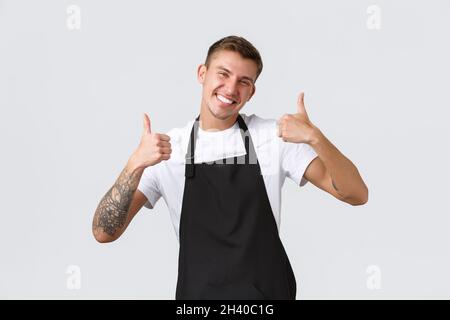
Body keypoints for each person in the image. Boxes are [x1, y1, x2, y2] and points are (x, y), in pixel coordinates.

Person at [92, 35, 368, 300]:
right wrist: (134, 165)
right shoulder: (167, 150)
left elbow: (356, 194)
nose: (231, 88)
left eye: (243, 81)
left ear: (252, 91)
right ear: (202, 73)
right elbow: (104, 233)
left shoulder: (273, 137)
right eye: (223, 74)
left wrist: (315, 137)